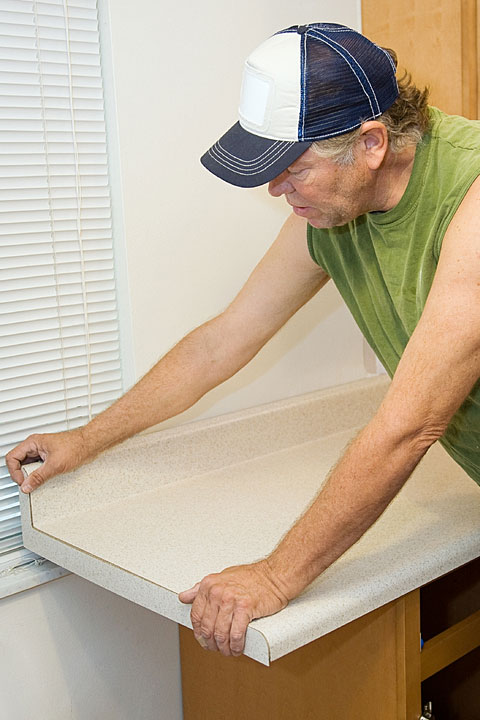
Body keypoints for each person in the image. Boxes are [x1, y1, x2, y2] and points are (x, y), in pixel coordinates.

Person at [6, 23, 480, 659]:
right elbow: (223, 341)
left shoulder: (469, 197)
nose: (275, 190)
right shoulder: (337, 206)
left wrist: (276, 575)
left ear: (370, 143)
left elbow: (408, 426)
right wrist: (86, 439)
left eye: (292, 168)